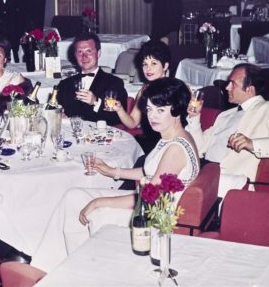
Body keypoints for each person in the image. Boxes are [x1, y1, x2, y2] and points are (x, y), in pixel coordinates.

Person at [33, 77, 199, 272]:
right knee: (73, 196)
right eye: (149, 109)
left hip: (154, 218)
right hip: (150, 205)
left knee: (93, 208)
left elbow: (149, 198)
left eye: (160, 110)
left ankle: (83, 270)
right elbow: (151, 171)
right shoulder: (171, 135)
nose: (152, 116)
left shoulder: (176, 148)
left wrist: (98, 202)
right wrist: (115, 172)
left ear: (177, 111)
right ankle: (53, 267)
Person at [186, 63, 269, 195]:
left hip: (228, 180)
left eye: (232, 83)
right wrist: (194, 118)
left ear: (249, 89)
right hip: (205, 172)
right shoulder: (225, 115)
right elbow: (198, 148)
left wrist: (252, 144)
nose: (227, 87)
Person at [112, 39, 171, 154]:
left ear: (165, 66)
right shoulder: (143, 91)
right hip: (149, 143)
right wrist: (119, 109)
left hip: (168, 145)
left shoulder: (175, 89)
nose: (148, 69)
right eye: (145, 64)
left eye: (154, 63)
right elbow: (133, 122)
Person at [57, 32, 128, 125]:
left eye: (89, 51)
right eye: (80, 52)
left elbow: (117, 119)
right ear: (75, 55)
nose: (84, 57)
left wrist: (96, 102)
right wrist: (60, 115)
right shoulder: (65, 84)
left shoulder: (114, 83)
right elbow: (55, 110)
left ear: (98, 53)